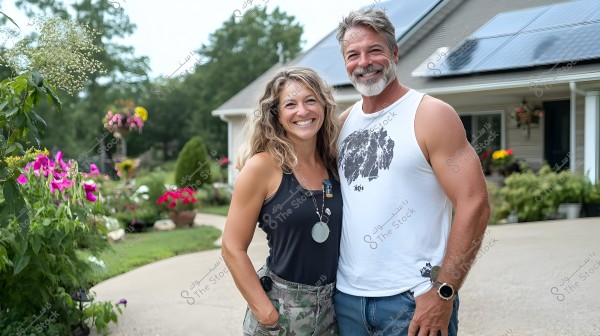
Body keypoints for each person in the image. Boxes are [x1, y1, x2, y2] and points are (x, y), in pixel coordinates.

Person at [333, 8, 491, 336]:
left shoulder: (432, 115)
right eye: (353, 54)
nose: (364, 62)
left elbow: (474, 203)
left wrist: (444, 291)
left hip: (414, 299)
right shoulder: (340, 124)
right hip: (347, 301)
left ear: (394, 53)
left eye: (375, 50)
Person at [222, 67, 342, 335]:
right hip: (282, 310)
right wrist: (266, 313)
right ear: (276, 114)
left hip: (334, 308)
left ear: (323, 105)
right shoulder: (262, 167)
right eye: (290, 104)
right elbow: (231, 247)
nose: (302, 111)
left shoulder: (334, 164)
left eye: (310, 100)